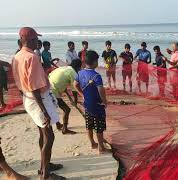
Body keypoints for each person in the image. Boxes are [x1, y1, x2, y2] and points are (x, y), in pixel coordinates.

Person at [12, 27, 65, 180]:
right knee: (49, 137)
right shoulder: (32, 57)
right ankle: (45, 175)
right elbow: (35, 88)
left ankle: (44, 166)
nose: (38, 42)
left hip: (28, 98)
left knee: (43, 133)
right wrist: (45, 112)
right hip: (38, 100)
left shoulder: (17, 55)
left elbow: (22, 82)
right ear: (29, 40)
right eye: (36, 39)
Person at [74, 50, 108, 154]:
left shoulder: (80, 73)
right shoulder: (96, 76)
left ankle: (93, 143)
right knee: (99, 127)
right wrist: (104, 101)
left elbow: (75, 84)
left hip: (87, 104)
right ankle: (101, 147)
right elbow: (101, 89)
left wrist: (82, 95)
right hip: (97, 105)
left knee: (89, 125)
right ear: (94, 62)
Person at [48, 59, 82, 135]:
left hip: (47, 87)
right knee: (67, 110)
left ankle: (58, 124)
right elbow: (74, 89)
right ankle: (65, 129)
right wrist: (75, 101)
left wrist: (64, 87)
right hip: (53, 90)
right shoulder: (73, 73)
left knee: (54, 108)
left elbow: (52, 75)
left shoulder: (64, 67)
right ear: (78, 67)